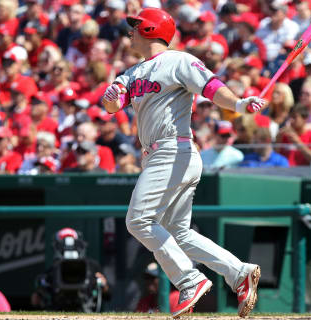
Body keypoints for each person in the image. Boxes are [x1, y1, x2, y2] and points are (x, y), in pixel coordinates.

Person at [101, 7, 264, 318]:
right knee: (179, 232)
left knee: (138, 221)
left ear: (150, 30)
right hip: (161, 157)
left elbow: (212, 87)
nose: (130, 31)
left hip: (173, 151)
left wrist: (240, 104)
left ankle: (189, 281)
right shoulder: (132, 72)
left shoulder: (178, 60)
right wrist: (111, 98)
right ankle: (239, 272)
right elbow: (113, 106)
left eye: (136, 26)